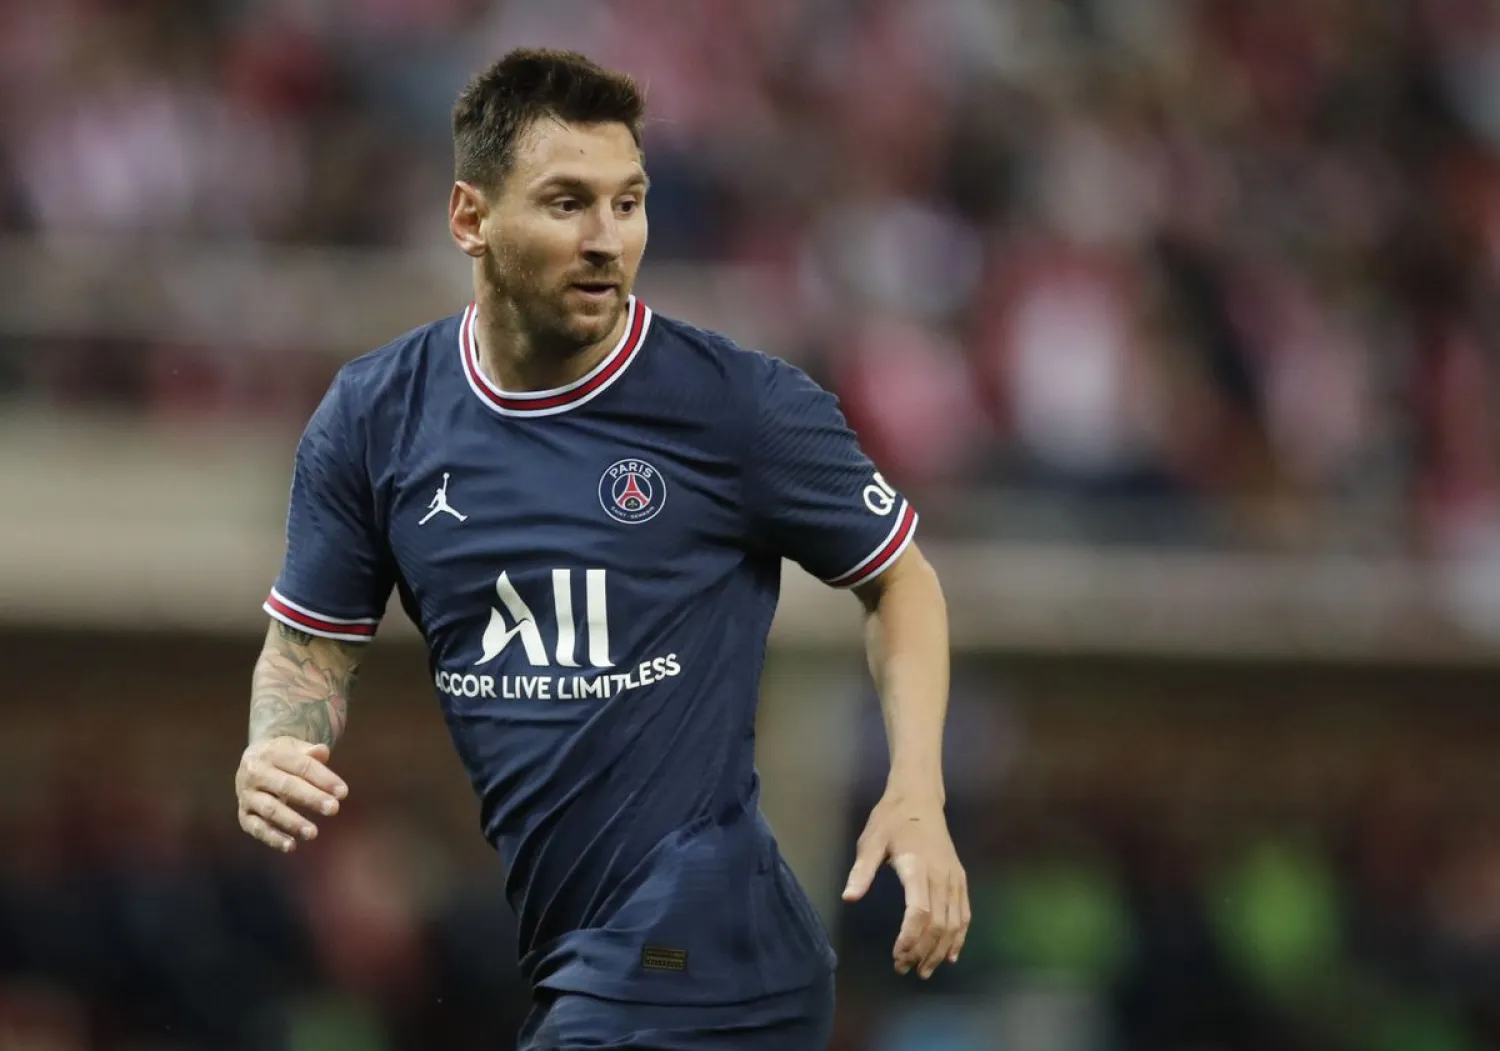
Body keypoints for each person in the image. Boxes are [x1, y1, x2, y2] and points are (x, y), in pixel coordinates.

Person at [233, 47, 968, 1050]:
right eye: (567, 203)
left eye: (628, 203)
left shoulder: (734, 404)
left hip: (704, 939)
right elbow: (313, 643)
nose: (605, 239)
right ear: (470, 219)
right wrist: (280, 738)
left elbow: (901, 579)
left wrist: (915, 790)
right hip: (579, 950)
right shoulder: (376, 418)